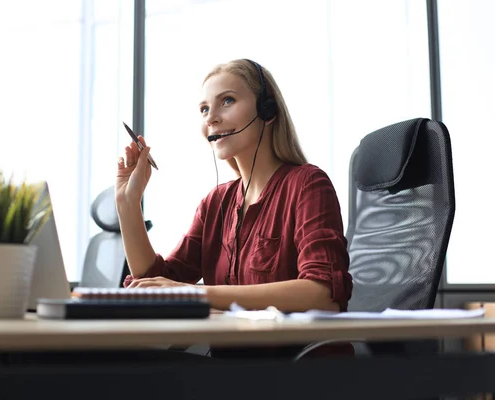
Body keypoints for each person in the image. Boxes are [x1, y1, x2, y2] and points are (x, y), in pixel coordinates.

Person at [115, 59, 352, 358]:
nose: (211, 118)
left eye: (227, 101)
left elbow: (322, 293)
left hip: (296, 374)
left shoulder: (307, 184)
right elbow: (159, 277)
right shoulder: (216, 203)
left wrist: (194, 294)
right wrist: (128, 203)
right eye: (204, 109)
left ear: (267, 111)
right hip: (233, 373)